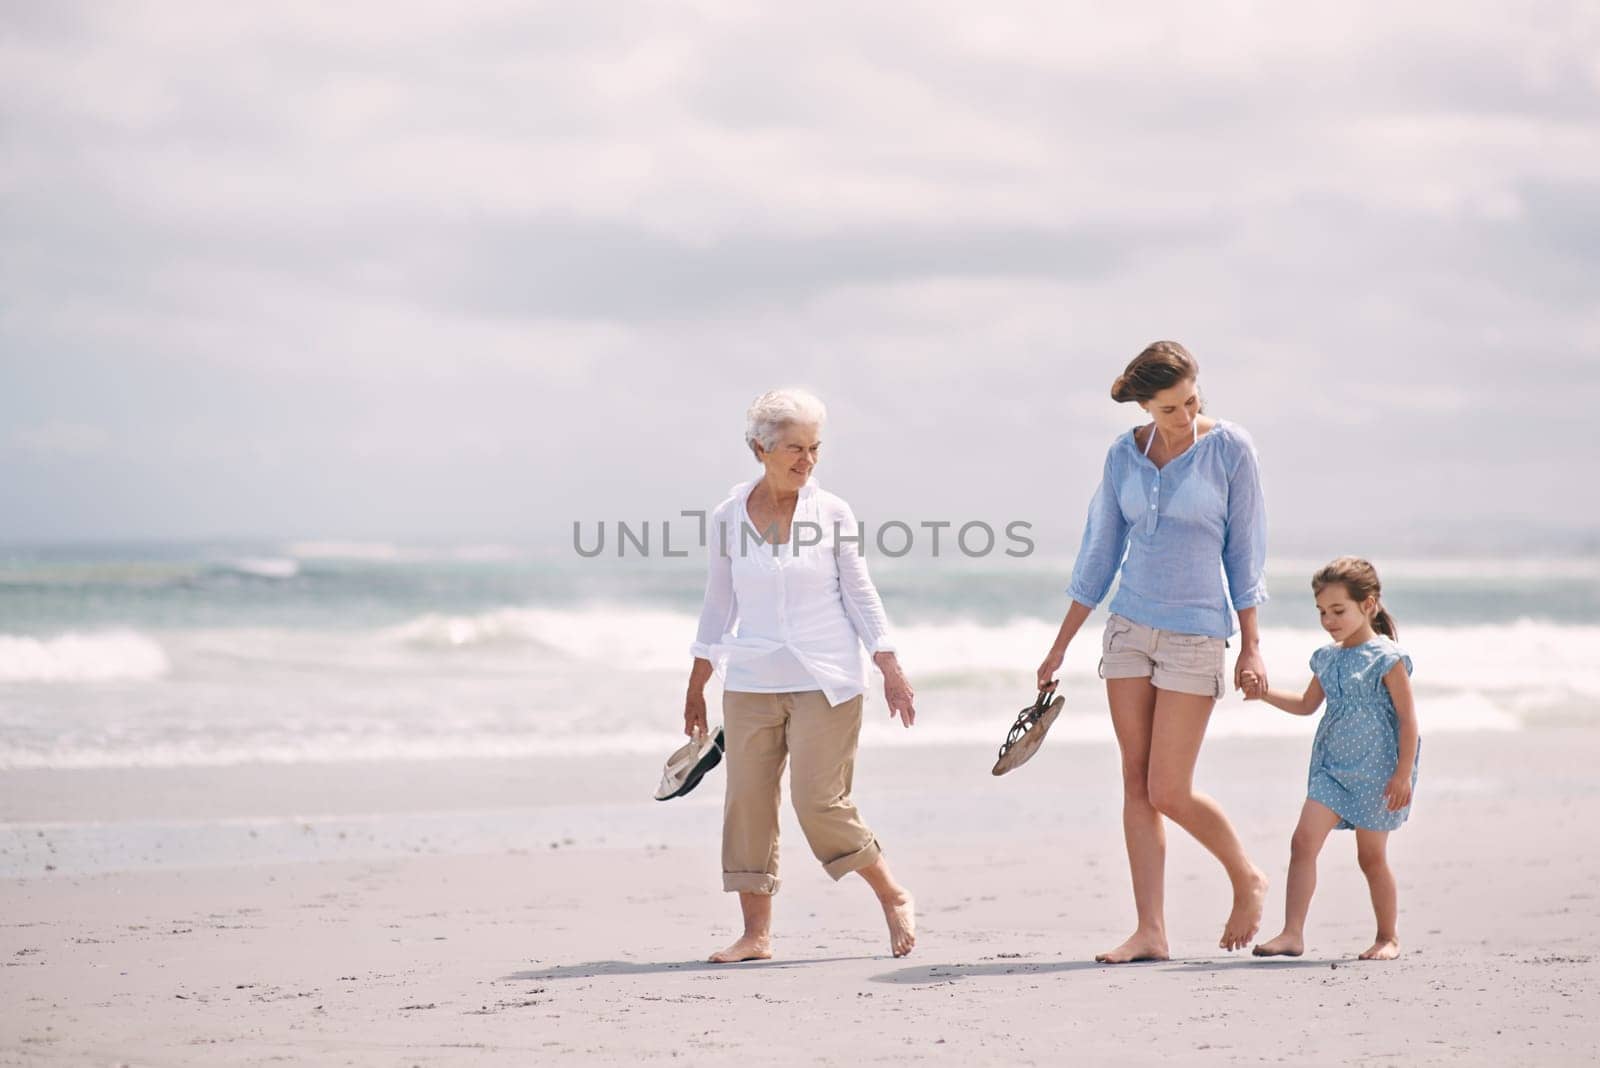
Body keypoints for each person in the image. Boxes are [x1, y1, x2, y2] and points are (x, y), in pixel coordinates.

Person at [1035, 340, 1271, 962]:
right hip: (1129, 629)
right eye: (1170, 409)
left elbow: (1244, 556)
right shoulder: (1124, 457)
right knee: (1135, 785)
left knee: (1169, 788)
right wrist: (1059, 645)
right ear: (1144, 406)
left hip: (1197, 632)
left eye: (1192, 401)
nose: (1185, 416)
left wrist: (1252, 646)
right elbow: (1099, 553)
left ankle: (1245, 875)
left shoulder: (1230, 450)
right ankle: (1151, 931)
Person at [684, 387, 918, 963]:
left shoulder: (831, 512)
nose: (806, 460)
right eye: (794, 448)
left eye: (814, 448)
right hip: (752, 680)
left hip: (828, 678)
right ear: (760, 448)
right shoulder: (728, 516)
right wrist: (697, 681)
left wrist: (888, 664)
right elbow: (719, 604)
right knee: (748, 803)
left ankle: (891, 894)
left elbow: (860, 593)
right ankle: (756, 936)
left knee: (819, 802)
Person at [1244, 556, 1420, 961]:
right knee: (1302, 842)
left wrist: (1403, 774)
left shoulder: (1388, 659)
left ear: (1369, 605)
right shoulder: (1327, 657)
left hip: (1378, 773)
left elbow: (1409, 720)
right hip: (1330, 770)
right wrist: (1263, 693)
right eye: (1322, 611)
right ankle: (1292, 933)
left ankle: (1388, 936)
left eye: (1338, 610)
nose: (1329, 620)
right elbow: (1307, 705)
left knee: (1370, 856)